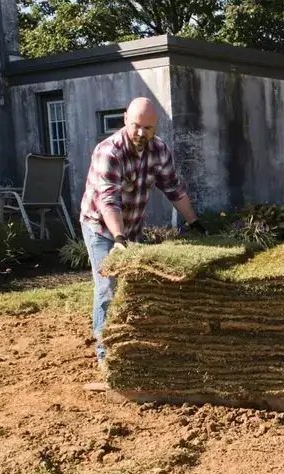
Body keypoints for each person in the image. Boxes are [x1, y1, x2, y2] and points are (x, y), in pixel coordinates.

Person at [79, 97, 199, 391]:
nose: (141, 133)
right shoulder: (109, 152)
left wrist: (195, 223)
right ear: (125, 120)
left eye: (148, 127)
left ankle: (131, 344)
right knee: (107, 287)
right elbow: (108, 201)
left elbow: (174, 188)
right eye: (136, 126)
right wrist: (119, 238)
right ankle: (106, 355)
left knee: (132, 287)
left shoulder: (158, 150)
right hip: (101, 228)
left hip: (131, 227)